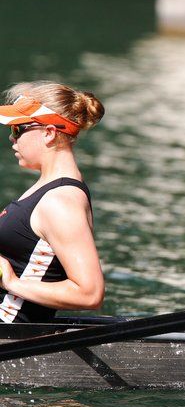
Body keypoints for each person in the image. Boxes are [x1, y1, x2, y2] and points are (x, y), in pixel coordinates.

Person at [0, 81, 105, 323]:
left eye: (18, 129)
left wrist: (10, 282)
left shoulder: (61, 201)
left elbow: (90, 293)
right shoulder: (45, 189)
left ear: (48, 132)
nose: (11, 138)